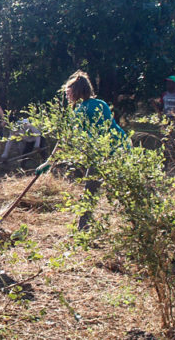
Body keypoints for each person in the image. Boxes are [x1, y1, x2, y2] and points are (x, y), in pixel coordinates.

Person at [63, 70, 127, 230]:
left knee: (90, 190)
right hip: (120, 146)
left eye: (69, 91)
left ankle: (83, 228)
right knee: (124, 186)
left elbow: (82, 136)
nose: (67, 95)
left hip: (103, 153)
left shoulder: (80, 111)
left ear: (76, 91)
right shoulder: (100, 103)